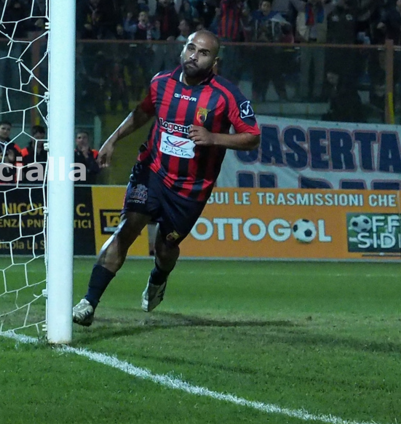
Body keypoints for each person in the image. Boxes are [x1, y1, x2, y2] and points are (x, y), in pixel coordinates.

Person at [73, 31, 261, 327]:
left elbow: (252, 137)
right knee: (128, 228)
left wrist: (214, 137)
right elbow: (142, 113)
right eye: (190, 48)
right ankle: (89, 301)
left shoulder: (227, 95)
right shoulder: (161, 82)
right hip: (152, 171)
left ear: (215, 61)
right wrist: (112, 140)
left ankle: (159, 276)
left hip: (190, 189)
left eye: (203, 53)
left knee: (165, 247)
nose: (193, 55)